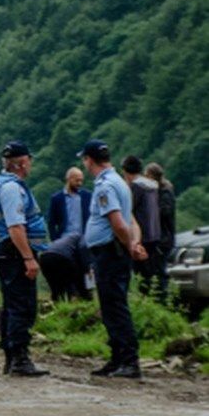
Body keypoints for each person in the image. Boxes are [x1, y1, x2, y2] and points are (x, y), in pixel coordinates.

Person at [81, 140, 148, 379]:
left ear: (89, 160)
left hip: (110, 252)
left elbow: (119, 223)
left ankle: (129, 360)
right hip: (114, 251)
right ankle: (118, 358)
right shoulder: (120, 182)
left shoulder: (105, 186)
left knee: (114, 306)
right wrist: (135, 243)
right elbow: (132, 221)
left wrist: (129, 245)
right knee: (111, 306)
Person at [0, 141, 50, 377]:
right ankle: (20, 358)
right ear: (22, 163)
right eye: (29, 160)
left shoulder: (1, 184)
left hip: (7, 251)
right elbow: (16, 226)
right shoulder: (12, 189)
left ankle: (11, 357)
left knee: (12, 304)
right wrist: (28, 258)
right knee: (22, 305)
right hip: (14, 252)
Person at [121, 155, 161, 298]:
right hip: (155, 234)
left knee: (140, 275)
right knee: (151, 273)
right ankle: (152, 300)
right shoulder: (152, 186)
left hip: (141, 236)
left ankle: (143, 300)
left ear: (125, 171)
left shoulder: (136, 187)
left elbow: (128, 210)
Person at [145, 163, 175, 303]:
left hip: (164, 238)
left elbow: (165, 212)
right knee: (155, 270)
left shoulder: (165, 192)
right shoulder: (159, 191)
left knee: (160, 271)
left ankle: (163, 300)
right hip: (161, 236)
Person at [39, 234, 94, 302]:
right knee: (74, 280)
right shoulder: (82, 239)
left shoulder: (67, 238)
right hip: (62, 256)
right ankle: (81, 298)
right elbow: (84, 263)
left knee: (55, 287)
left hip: (44, 258)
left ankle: (56, 303)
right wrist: (88, 271)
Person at [47, 168, 91, 240]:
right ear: (68, 179)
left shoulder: (87, 196)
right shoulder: (57, 198)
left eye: (81, 180)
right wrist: (54, 240)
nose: (79, 183)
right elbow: (51, 222)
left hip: (83, 238)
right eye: (77, 180)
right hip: (64, 238)